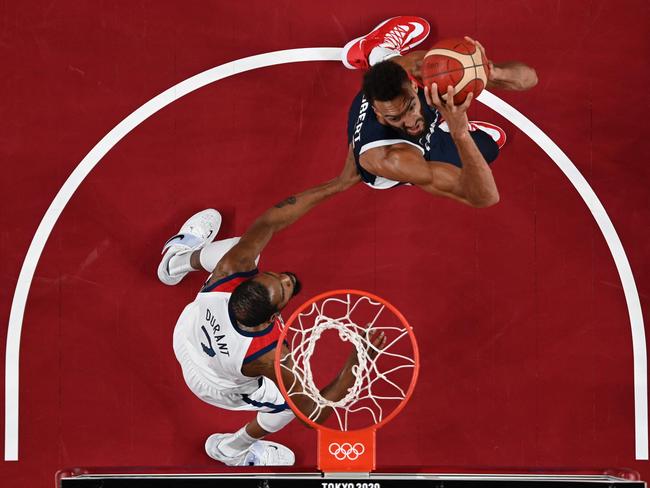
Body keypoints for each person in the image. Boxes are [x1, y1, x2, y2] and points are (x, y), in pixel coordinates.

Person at [156, 154, 385, 466]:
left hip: (187, 334)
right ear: (274, 316)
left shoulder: (230, 271)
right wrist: (361, 356)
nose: (285, 277)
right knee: (285, 406)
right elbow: (312, 412)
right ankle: (233, 449)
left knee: (240, 247)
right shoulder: (269, 355)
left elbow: (271, 221)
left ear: (239, 285)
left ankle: (175, 261)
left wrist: (338, 184)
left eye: (275, 276)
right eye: (284, 289)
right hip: (213, 383)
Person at [343, 16, 538, 206]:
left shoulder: (420, 70)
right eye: (395, 117)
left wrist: (489, 72)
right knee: (488, 147)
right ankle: (441, 126)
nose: (410, 121)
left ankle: (376, 49)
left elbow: (530, 79)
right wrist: (459, 133)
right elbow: (486, 197)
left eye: (411, 107)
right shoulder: (394, 158)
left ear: (412, 85)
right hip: (403, 155)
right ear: (378, 113)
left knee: (398, 69)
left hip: (393, 97)